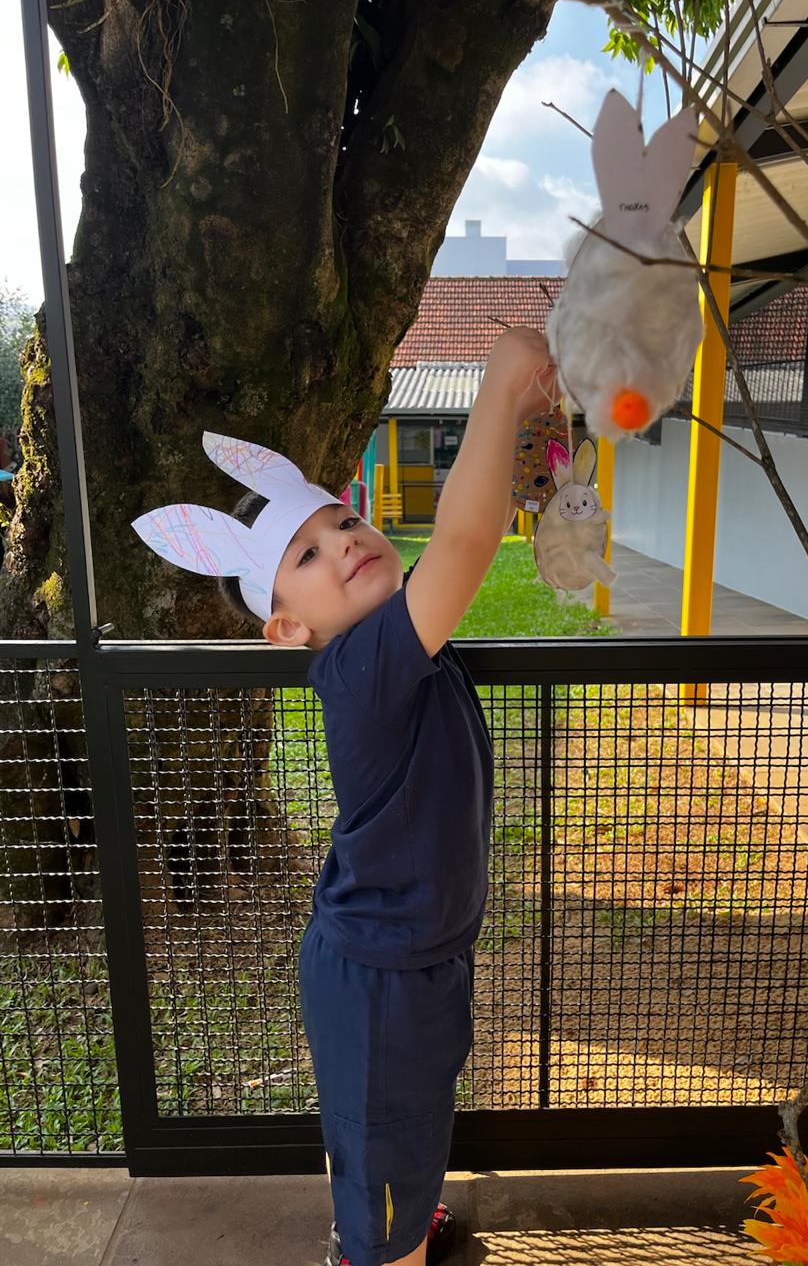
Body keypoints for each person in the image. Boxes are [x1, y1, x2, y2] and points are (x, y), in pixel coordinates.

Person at [131, 326, 557, 1266]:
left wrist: (526, 422)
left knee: (395, 1129)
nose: (343, 545)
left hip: (406, 956)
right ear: (289, 627)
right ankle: (379, 1250)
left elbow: (466, 536)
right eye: (308, 556)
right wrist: (499, 386)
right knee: (384, 1149)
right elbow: (465, 541)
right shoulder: (363, 666)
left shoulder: (404, 644)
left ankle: (395, 1224)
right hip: (381, 975)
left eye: (341, 523)